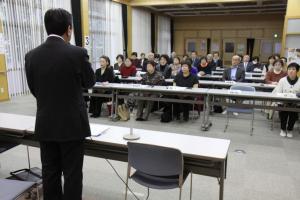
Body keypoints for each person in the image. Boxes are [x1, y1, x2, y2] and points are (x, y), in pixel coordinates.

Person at [25, 9, 95, 200]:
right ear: (69, 29)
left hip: (46, 124)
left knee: (50, 173)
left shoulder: (31, 56)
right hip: (72, 125)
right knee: (72, 175)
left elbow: (34, 90)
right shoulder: (78, 53)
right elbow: (90, 82)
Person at [273, 63, 300, 138]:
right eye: (289, 69)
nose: (291, 71)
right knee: (283, 113)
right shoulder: (282, 80)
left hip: (296, 103)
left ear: (297, 71)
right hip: (283, 102)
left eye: (293, 69)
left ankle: (290, 129)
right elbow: (278, 92)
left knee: (293, 115)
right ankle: (283, 129)